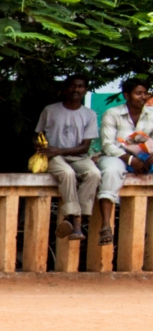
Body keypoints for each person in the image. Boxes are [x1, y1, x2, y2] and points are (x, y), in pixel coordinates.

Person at [38, 75, 99, 242]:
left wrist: (60, 150)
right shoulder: (50, 110)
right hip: (54, 157)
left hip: (78, 156)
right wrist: (41, 147)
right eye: (72, 86)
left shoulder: (90, 114)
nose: (76, 90)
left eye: (80, 86)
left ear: (85, 90)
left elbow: (85, 147)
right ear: (65, 89)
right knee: (67, 173)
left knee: (94, 173)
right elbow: (38, 134)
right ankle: (77, 223)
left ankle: (73, 219)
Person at [97, 77, 153, 245]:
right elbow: (107, 145)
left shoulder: (151, 115)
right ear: (127, 95)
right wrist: (129, 159)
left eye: (145, 93)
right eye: (138, 93)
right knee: (111, 170)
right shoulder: (112, 114)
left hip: (145, 158)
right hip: (118, 156)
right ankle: (106, 225)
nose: (142, 97)